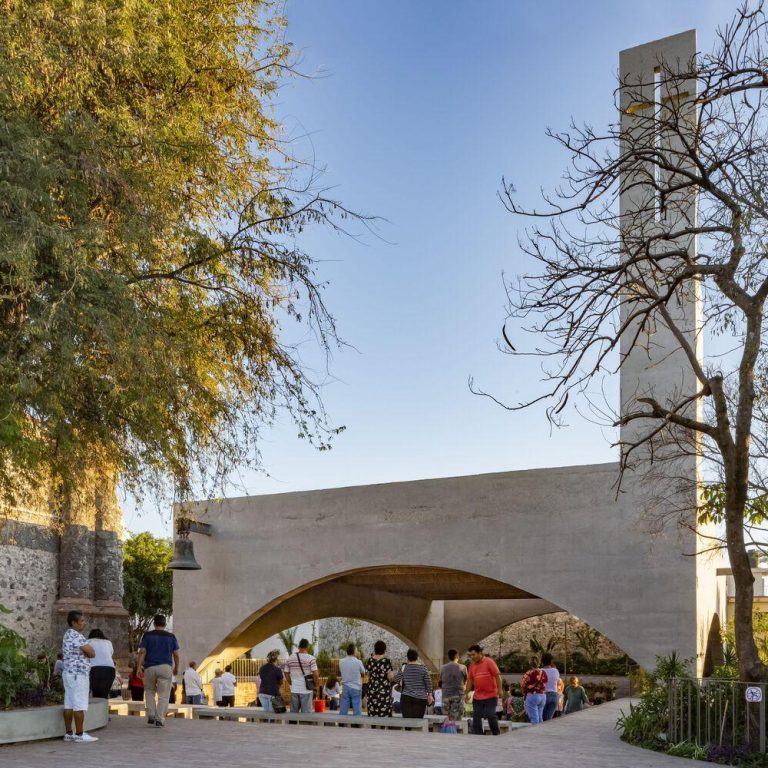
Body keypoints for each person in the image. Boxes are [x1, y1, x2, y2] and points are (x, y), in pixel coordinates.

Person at [136, 614, 180, 728]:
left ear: (154, 624)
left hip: (149, 667)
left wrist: (138, 667)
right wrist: (176, 668)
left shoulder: (147, 636)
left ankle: (151, 715)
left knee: (149, 691)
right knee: (163, 695)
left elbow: (142, 652)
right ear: (165, 624)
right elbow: (176, 654)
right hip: (165, 667)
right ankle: (160, 718)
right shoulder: (171, 637)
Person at [61, 610, 97, 743]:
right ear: (73, 623)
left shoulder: (67, 635)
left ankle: (68, 733)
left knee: (69, 704)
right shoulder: (77, 636)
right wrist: (87, 652)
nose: (84, 623)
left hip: (68, 673)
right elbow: (92, 653)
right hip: (79, 674)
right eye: (81, 621)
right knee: (79, 705)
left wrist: (86, 652)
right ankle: (80, 734)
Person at [466, 644, 502, 736]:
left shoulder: (489, 662)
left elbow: (497, 676)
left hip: (491, 695)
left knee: (490, 715)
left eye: (473, 655)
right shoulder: (472, 665)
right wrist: (466, 693)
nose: (472, 657)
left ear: (480, 653)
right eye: (470, 655)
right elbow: (470, 680)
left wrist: (500, 689)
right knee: (476, 716)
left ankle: (496, 733)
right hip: (478, 696)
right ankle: (478, 735)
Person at [392, 648, 432, 718]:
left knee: (408, 721)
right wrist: (430, 695)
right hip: (421, 698)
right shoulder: (423, 668)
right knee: (418, 721)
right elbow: (428, 683)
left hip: (406, 697)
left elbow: (396, 679)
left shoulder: (404, 668)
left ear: (408, 657)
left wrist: (402, 681)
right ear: (417, 657)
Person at [284, 638, 319, 713]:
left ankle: (292, 725)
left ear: (299, 647)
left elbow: (286, 673)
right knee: (306, 716)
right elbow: (315, 674)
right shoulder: (311, 659)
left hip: (294, 690)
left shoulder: (290, 658)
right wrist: (316, 686)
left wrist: (291, 683)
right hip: (306, 690)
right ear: (307, 647)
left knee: (293, 715)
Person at [438, 649, 467, 725]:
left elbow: (440, 681)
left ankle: (447, 734)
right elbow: (467, 680)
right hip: (458, 696)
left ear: (448, 657)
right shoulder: (463, 667)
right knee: (457, 721)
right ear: (457, 656)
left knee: (446, 719)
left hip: (445, 696)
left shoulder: (442, 668)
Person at [365, 640, 394, 717]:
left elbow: (367, 674)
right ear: (384, 649)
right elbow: (390, 677)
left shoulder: (370, 660)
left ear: (375, 649)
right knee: (384, 714)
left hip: (372, 690)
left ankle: (373, 728)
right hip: (384, 691)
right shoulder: (387, 661)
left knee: (373, 712)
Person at [87, 628, 116, 700]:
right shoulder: (108, 642)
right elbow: (110, 654)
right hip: (110, 669)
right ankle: (103, 710)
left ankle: (95, 710)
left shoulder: (88, 642)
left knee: (95, 694)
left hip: (94, 669)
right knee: (104, 695)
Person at [338, 643, 366, 717]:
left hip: (345, 686)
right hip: (356, 687)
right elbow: (363, 672)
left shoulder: (341, 661)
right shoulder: (358, 662)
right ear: (354, 651)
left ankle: (342, 723)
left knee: (343, 708)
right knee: (357, 709)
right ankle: (356, 725)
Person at [521, 655, 548, 725]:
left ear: (530, 663)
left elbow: (522, 684)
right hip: (542, 696)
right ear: (539, 663)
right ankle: (541, 733)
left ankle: (535, 734)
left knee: (534, 719)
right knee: (540, 717)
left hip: (532, 695)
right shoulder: (543, 672)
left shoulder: (529, 673)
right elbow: (545, 683)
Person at [541, 652, 561, 721]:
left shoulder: (540, 671)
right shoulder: (556, 671)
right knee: (549, 719)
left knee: (542, 719)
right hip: (554, 695)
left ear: (542, 661)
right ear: (551, 661)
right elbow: (558, 682)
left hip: (544, 695)